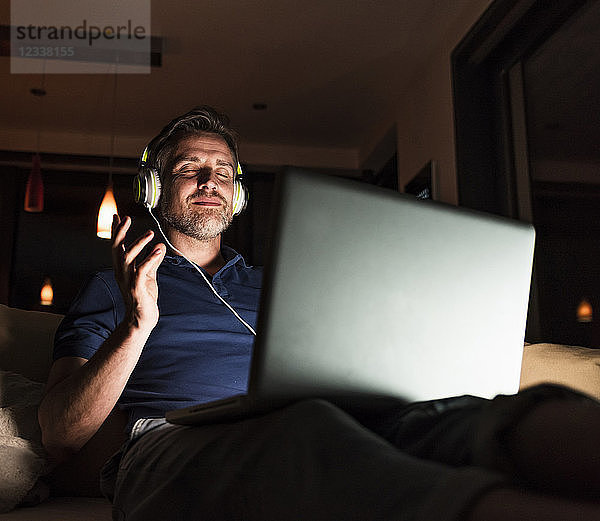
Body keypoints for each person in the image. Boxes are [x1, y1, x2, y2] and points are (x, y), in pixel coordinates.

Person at [38, 106, 600, 521]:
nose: (211, 181)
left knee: (464, 418)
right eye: (189, 167)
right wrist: (139, 323)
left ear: (238, 194)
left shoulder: (279, 281)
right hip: (174, 441)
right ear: (156, 186)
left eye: (224, 171)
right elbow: (62, 433)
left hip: (316, 414)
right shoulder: (112, 286)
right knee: (304, 434)